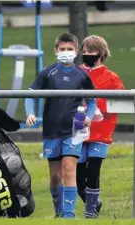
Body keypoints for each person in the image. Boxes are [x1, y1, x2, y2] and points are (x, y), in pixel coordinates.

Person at [24, 33, 97, 218]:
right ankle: (59, 211)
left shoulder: (82, 75)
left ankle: (69, 215)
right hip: (51, 130)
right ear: (56, 50)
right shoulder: (48, 73)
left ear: (76, 51)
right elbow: (30, 94)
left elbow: (92, 100)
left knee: (69, 169)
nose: (66, 52)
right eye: (62, 49)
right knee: (55, 176)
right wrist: (30, 113)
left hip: (74, 130)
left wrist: (88, 116)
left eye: (70, 49)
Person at [77, 35, 125, 218]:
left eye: (92, 51)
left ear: (101, 53)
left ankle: (90, 213)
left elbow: (119, 102)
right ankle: (94, 203)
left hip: (101, 132)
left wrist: (98, 107)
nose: (87, 54)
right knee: (78, 174)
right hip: (78, 131)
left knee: (93, 171)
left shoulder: (111, 78)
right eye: (85, 51)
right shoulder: (75, 74)